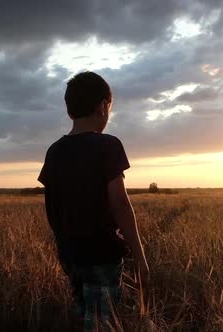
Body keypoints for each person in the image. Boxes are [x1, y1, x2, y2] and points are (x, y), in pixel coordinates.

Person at [37, 71, 149, 331]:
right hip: (102, 253)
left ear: (70, 111)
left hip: (70, 255)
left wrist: (65, 245)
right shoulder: (108, 145)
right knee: (101, 323)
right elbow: (120, 203)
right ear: (103, 107)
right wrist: (140, 257)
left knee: (86, 314)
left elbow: (52, 206)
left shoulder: (54, 151)